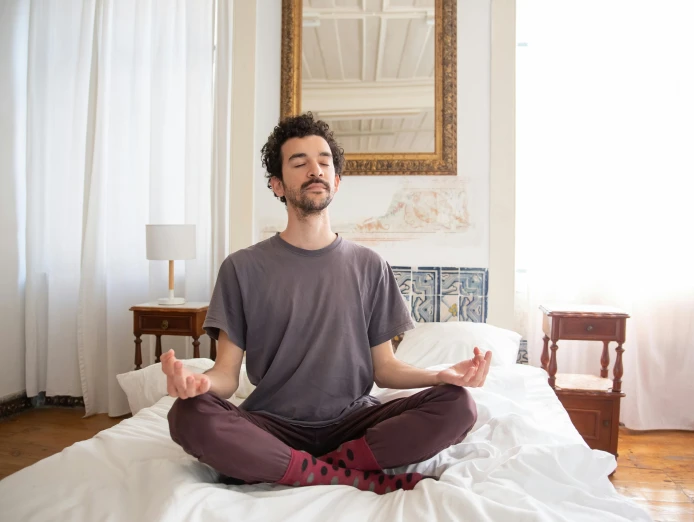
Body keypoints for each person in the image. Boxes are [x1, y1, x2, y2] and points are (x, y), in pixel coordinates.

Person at [164, 113, 492, 495]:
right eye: (299, 163)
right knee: (189, 414)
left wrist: (440, 375)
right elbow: (226, 375)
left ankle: (301, 469)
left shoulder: (370, 266)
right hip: (273, 425)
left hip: (354, 426)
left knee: (458, 404)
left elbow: (385, 371)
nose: (314, 170)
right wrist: (199, 384)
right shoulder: (242, 268)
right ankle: (341, 476)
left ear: (336, 181)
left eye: (324, 163)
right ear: (277, 185)